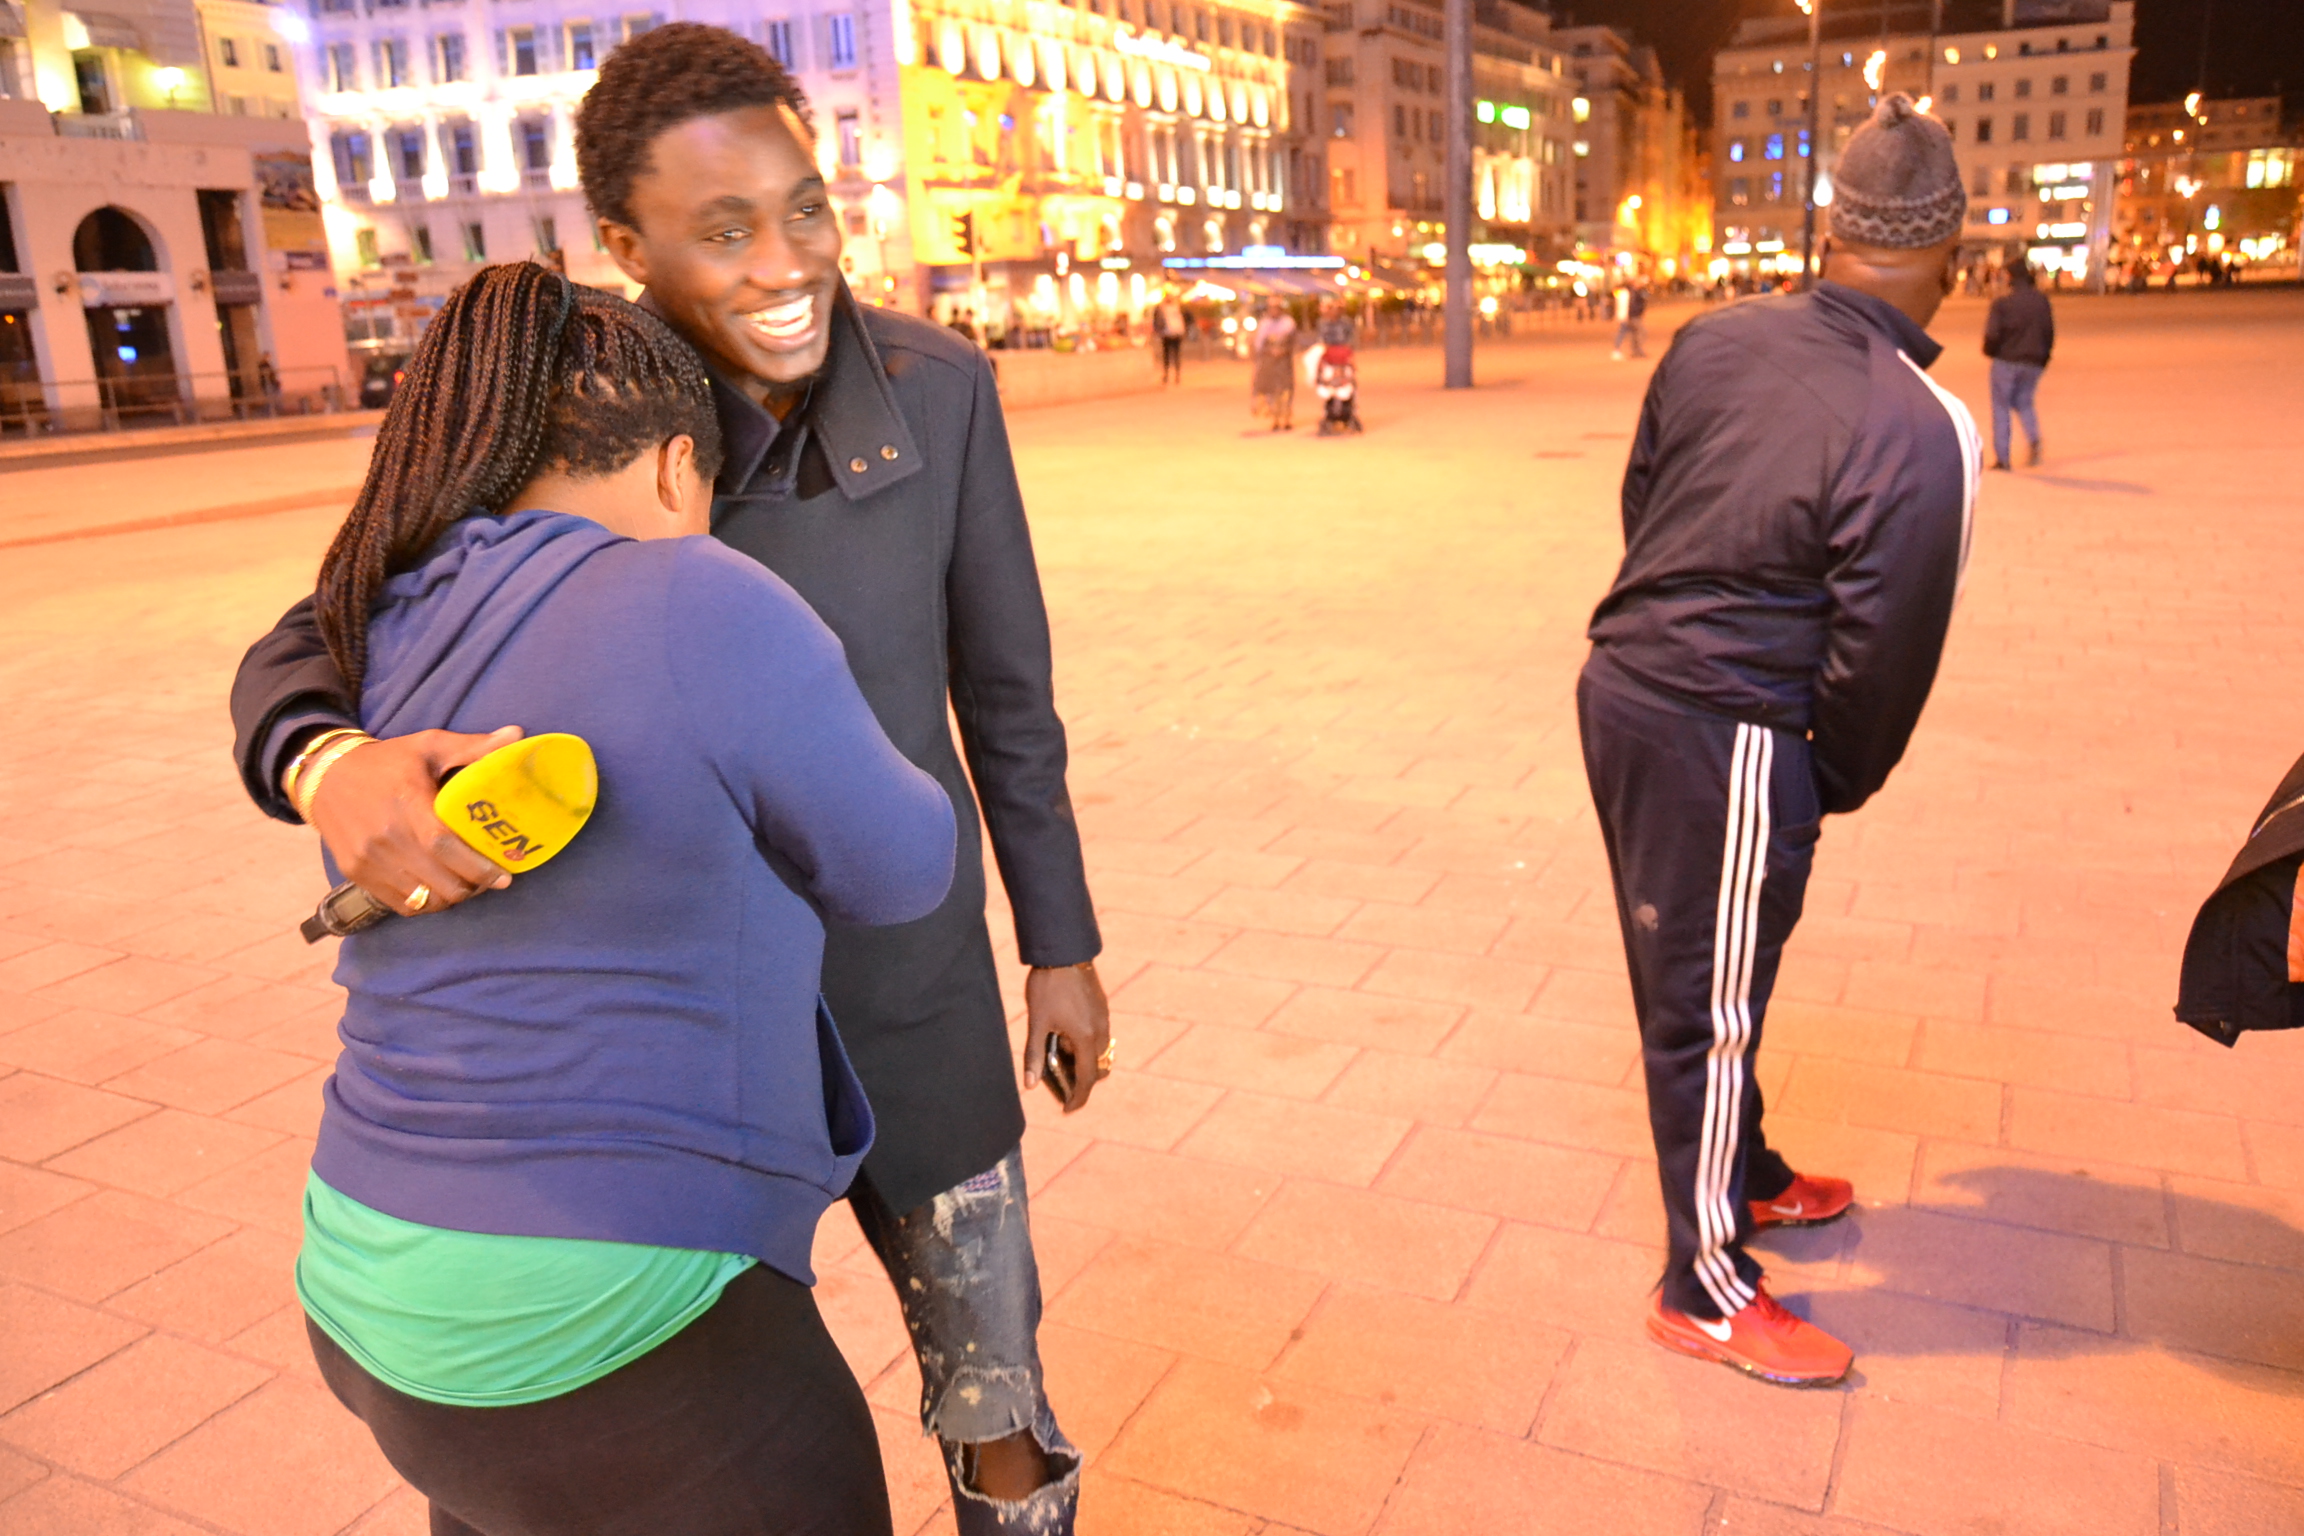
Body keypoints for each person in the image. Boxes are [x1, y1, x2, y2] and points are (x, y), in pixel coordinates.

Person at [228, 27, 1108, 1534]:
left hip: (911, 1011)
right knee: (685, 1427)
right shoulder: (554, 399)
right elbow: (322, 624)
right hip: (681, 1064)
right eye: (722, 229)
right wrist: (326, 757)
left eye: (808, 208)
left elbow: (1008, 694)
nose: (785, 261)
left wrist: (1064, 947)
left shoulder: (940, 387)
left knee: (995, 1401)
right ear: (625, 246)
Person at [291, 262, 956, 1535]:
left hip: (366, 1273)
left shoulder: (370, 611)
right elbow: (902, 865)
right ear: (671, 470)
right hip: (603, 1314)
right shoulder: (700, 594)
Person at [1577, 95, 1980, 1387]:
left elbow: (1643, 502)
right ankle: (1701, 1282)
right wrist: (1822, 776)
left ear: (1830, 232)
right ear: (1955, 256)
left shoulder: (1711, 337)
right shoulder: (1922, 424)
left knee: (1709, 971)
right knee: (1707, 1002)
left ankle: (1743, 1171)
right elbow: (1887, 652)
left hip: (1626, 688)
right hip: (1732, 727)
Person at [1983, 262, 2053, 470]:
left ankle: (2003, 458)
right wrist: (2043, 358)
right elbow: (2049, 332)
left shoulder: (2003, 304)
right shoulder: (2041, 301)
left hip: (2007, 359)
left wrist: (1990, 351)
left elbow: (1992, 335)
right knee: (2024, 401)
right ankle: (2033, 438)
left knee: (2001, 406)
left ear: (2011, 277)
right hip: (2033, 360)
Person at [1250, 295, 1297, 430]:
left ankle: (1286, 419)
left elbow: (1292, 342)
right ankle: (1276, 420)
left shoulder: (1289, 323)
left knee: (1286, 390)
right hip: (1269, 363)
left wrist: (1283, 350)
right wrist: (1270, 351)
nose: (1274, 311)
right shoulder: (1264, 324)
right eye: (1272, 308)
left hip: (1284, 362)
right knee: (1272, 392)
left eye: (1276, 308)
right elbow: (1259, 345)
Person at [1153, 288, 1187, 383]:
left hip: (1174, 333)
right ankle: (1168, 375)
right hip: (1168, 333)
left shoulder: (1173, 308)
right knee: (1168, 355)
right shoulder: (1167, 308)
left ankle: (1175, 375)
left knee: (1173, 355)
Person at [1612, 282, 1647, 360]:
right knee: (1626, 333)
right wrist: (1626, 316)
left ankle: (1634, 351)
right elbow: (1625, 305)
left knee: (1630, 333)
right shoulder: (1626, 294)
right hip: (1627, 317)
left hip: (1625, 316)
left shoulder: (1624, 293)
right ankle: (1617, 351)